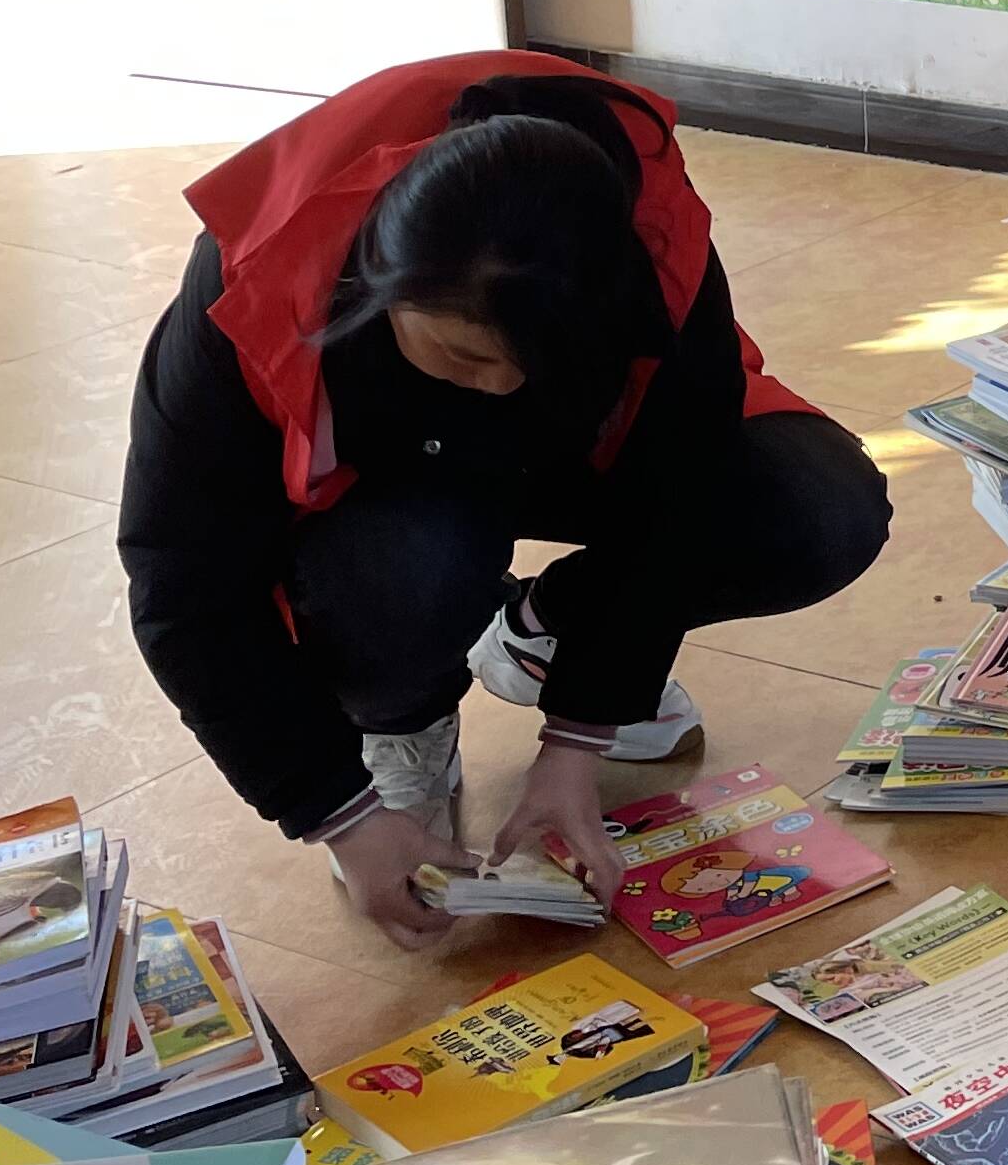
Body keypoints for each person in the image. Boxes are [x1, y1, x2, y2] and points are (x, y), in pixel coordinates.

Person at [119, 51, 893, 950]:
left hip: (577, 452)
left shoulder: (644, 237)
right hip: (390, 490)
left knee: (819, 511)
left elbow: (678, 489)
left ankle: (542, 637)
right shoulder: (252, 281)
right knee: (407, 569)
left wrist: (578, 741)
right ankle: (400, 725)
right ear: (383, 283)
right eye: (462, 354)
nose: (501, 386)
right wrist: (337, 813)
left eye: (539, 359)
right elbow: (184, 583)